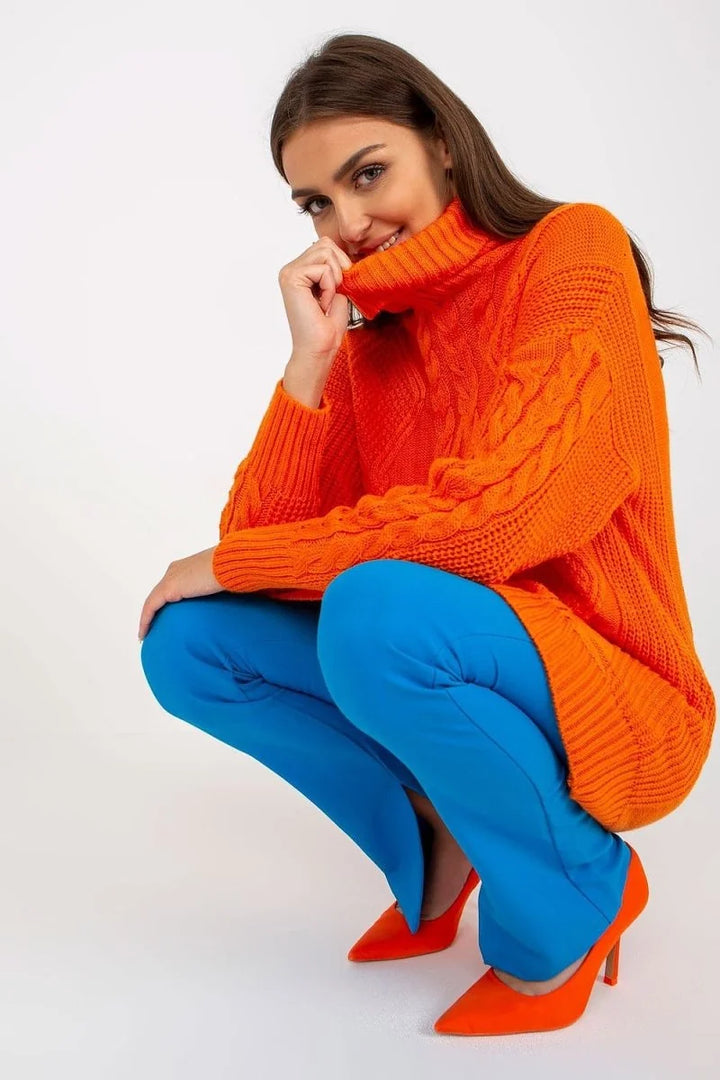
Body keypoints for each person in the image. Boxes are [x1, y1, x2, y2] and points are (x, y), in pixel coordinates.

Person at [139, 33, 716, 1035]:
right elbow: (258, 559)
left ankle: (578, 889)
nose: (348, 224)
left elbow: (497, 525)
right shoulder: (371, 338)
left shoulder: (570, 252)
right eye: (316, 202)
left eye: (369, 176)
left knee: (378, 608)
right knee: (193, 644)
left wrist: (230, 560)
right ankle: (438, 828)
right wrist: (310, 362)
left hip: (616, 690)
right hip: (452, 647)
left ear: (442, 145)